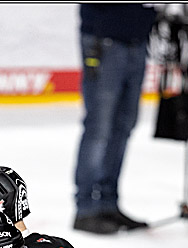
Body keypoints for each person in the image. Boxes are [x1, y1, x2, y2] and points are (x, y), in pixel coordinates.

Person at [72, 3, 156, 234]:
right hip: (105, 39)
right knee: (99, 128)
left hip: (136, 39)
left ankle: (108, 203)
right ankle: (86, 208)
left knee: (123, 127)